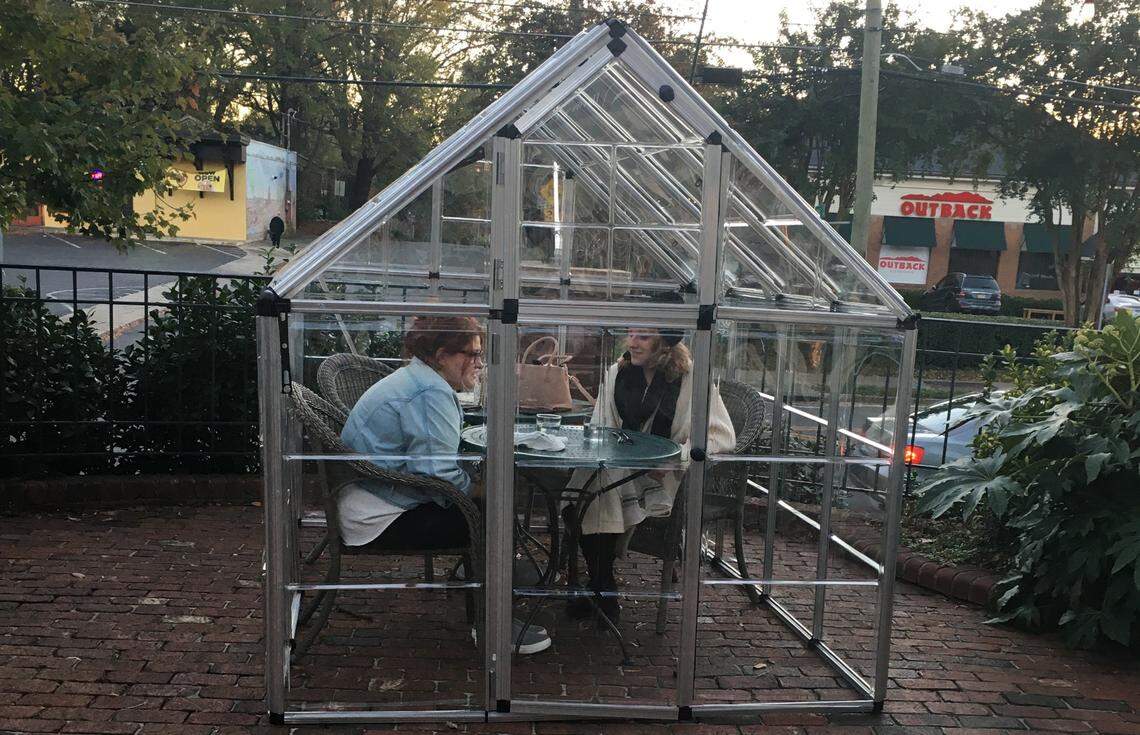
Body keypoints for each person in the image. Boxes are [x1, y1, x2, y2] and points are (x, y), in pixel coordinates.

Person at [339, 315, 552, 654]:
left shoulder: (418, 379)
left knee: (487, 506)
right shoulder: (430, 392)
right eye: (472, 354)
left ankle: (491, 581)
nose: (479, 363)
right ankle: (493, 628)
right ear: (441, 356)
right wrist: (478, 488)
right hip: (379, 518)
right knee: (492, 513)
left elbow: (431, 464)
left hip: (369, 499)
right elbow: (438, 475)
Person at [566, 321, 736, 623]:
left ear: (665, 342)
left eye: (643, 336)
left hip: (663, 476)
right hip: (619, 466)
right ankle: (603, 586)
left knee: (593, 492)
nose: (632, 342)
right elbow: (601, 425)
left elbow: (722, 437)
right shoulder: (617, 372)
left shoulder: (691, 378)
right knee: (586, 488)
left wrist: (675, 458)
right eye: (631, 334)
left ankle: (600, 590)